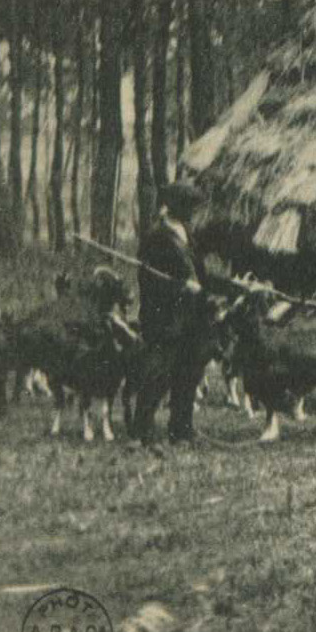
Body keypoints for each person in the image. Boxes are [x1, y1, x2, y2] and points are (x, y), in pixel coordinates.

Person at [130, 181, 213, 444]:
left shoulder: (188, 232)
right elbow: (149, 280)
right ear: (176, 207)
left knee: (188, 376)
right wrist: (179, 287)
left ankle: (181, 429)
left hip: (191, 318)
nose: (193, 212)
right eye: (189, 206)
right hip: (164, 320)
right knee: (157, 376)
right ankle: (141, 432)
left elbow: (200, 275)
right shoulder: (156, 236)